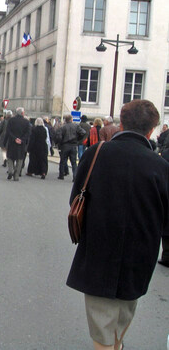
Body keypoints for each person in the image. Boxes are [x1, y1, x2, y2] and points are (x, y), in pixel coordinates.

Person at [67, 100, 169, 350]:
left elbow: (76, 199)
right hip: (140, 253)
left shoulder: (96, 154)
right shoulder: (160, 167)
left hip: (99, 247)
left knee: (101, 324)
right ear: (151, 130)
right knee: (123, 315)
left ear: (121, 123)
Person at [3, 107, 31, 181]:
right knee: (20, 159)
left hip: (12, 142)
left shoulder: (11, 120)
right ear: (22, 113)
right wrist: (21, 140)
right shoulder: (26, 122)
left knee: (10, 157)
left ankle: (10, 170)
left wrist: (14, 138)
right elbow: (28, 133)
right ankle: (16, 175)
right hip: (21, 144)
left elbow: (8, 131)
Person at [55, 114, 86, 181]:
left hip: (65, 145)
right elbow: (83, 132)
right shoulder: (76, 126)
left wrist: (60, 143)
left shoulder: (62, 127)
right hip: (73, 145)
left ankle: (61, 175)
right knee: (73, 162)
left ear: (65, 120)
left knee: (63, 161)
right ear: (71, 119)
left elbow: (59, 137)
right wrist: (78, 139)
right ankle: (75, 176)